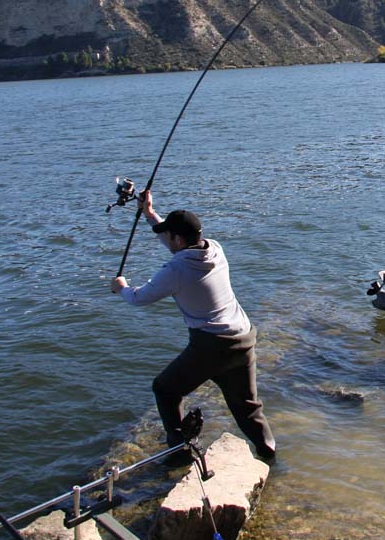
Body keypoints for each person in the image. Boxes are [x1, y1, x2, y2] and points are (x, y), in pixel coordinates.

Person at [110, 189, 275, 464]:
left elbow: (139, 298)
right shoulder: (214, 249)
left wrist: (121, 288)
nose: (168, 239)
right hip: (243, 338)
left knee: (165, 389)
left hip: (212, 345)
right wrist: (150, 214)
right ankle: (269, 452)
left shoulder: (176, 270)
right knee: (247, 407)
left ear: (177, 238)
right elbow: (175, 244)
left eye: (170, 235)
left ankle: (180, 453)